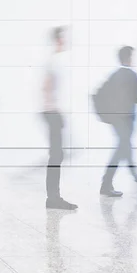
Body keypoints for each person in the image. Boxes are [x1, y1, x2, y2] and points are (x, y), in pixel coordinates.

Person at [99, 46, 137, 197]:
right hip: (126, 120)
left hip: (116, 121)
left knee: (124, 149)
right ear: (128, 57)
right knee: (122, 150)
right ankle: (107, 184)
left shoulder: (114, 75)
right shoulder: (131, 75)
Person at [41, 26, 78, 210]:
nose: (66, 41)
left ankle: (54, 196)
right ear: (57, 40)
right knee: (56, 155)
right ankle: (53, 198)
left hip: (53, 112)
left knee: (57, 155)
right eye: (63, 38)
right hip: (52, 112)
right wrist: (52, 110)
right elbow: (46, 87)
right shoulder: (53, 61)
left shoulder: (55, 60)